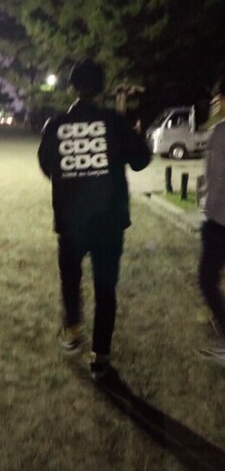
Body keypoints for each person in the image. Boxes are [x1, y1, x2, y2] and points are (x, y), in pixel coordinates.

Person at [38, 59, 151, 379]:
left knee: (70, 279)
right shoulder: (114, 123)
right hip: (108, 221)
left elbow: (47, 167)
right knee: (105, 288)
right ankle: (100, 355)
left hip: (71, 220)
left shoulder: (55, 125)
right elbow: (141, 161)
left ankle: (73, 328)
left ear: (72, 88)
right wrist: (129, 131)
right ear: (101, 89)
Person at [197, 79, 225, 367]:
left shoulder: (220, 132)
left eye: (217, 99)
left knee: (207, 279)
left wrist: (205, 210)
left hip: (220, 220)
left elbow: (215, 179)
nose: (215, 104)